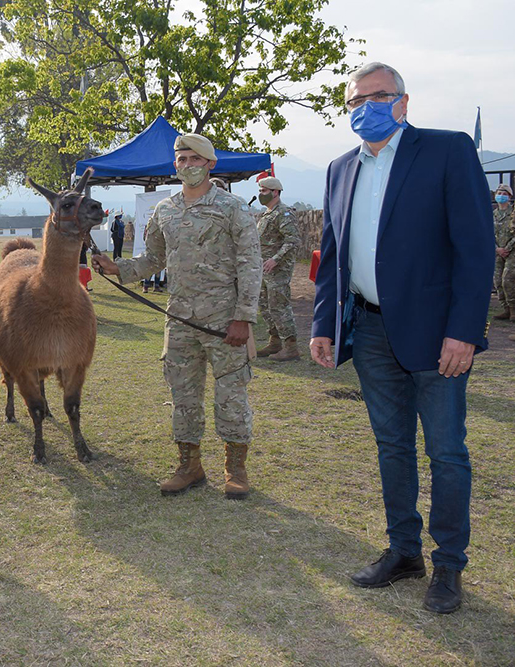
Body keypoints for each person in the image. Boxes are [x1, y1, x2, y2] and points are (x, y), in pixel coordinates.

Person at [309, 63, 494, 614]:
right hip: (368, 330)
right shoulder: (341, 168)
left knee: (446, 452)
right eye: (354, 100)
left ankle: (449, 567)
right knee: (393, 447)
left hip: (437, 337)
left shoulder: (446, 151)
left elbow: (475, 249)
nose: (364, 106)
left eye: (377, 96)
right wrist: (324, 324)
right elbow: (332, 257)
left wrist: (464, 331)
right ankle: (404, 551)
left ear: (403, 102)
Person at [93, 133, 262, 500]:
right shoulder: (165, 211)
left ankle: (236, 469)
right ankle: (190, 466)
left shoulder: (233, 208)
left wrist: (243, 318)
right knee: (183, 395)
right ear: (175, 165)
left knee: (231, 396)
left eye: (194, 159)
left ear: (210, 164)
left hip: (223, 322)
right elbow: (152, 261)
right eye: (182, 159)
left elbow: (251, 265)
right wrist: (116, 267)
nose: (187, 165)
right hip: (180, 318)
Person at [254, 176, 301, 361]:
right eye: (260, 191)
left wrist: (275, 259)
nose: (261, 194)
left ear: (275, 192)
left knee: (279, 307)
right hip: (264, 270)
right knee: (265, 306)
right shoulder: (268, 213)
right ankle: (275, 342)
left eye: (264, 191)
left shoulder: (284, 213)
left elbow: (293, 240)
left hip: (278, 270)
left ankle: (291, 347)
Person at [492, 184, 514, 319]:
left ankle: (513, 310)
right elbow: (488, 233)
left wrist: (507, 248)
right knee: (498, 280)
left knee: (508, 279)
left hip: (511, 251)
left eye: (504, 193)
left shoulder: (513, 213)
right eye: (499, 193)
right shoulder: (493, 214)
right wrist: (497, 249)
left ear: (510, 197)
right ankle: (505, 308)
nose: (501, 196)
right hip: (498, 251)